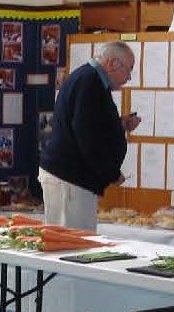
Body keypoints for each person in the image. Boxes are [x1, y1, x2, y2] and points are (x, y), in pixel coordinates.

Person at [38, 41, 141, 230]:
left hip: (72, 178)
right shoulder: (89, 82)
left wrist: (120, 124)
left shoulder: (91, 80)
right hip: (69, 179)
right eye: (129, 70)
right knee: (74, 245)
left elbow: (91, 123)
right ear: (112, 63)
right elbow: (88, 136)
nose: (129, 77)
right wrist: (112, 173)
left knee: (77, 242)